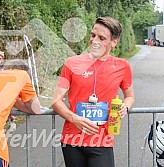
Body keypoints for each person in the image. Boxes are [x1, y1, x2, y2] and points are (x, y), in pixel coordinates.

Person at [51, 17, 134, 167]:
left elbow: (130, 96)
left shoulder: (122, 66)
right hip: (72, 140)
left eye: (102, 38)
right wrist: (75, 119)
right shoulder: (71, 63)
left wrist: (125, 106)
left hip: (102, 140)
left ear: (113, 42)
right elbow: (56, 101)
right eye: (93, 35)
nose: (94, 41)